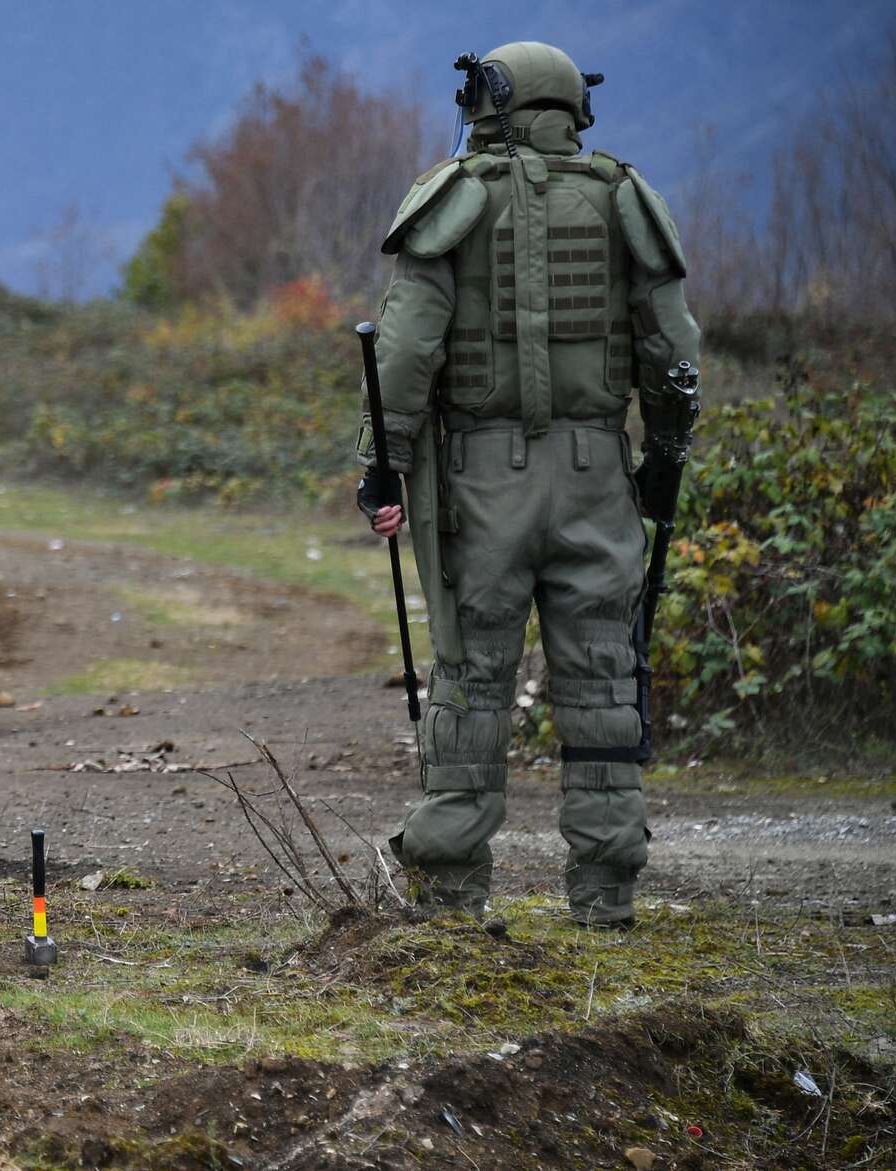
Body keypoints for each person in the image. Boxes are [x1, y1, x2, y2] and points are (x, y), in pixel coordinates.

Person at [356, 41, 701, 928]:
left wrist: (382, 465)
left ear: (489, 103)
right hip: (596, 475)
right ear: (570, 109)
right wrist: (662, 457)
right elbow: (674, 354)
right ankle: (605, 892)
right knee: (599, 675)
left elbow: (402, 353)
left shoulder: (451, 202)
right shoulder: (626, 200)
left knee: (472, 679)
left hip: (480, 481)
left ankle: (451, 889)